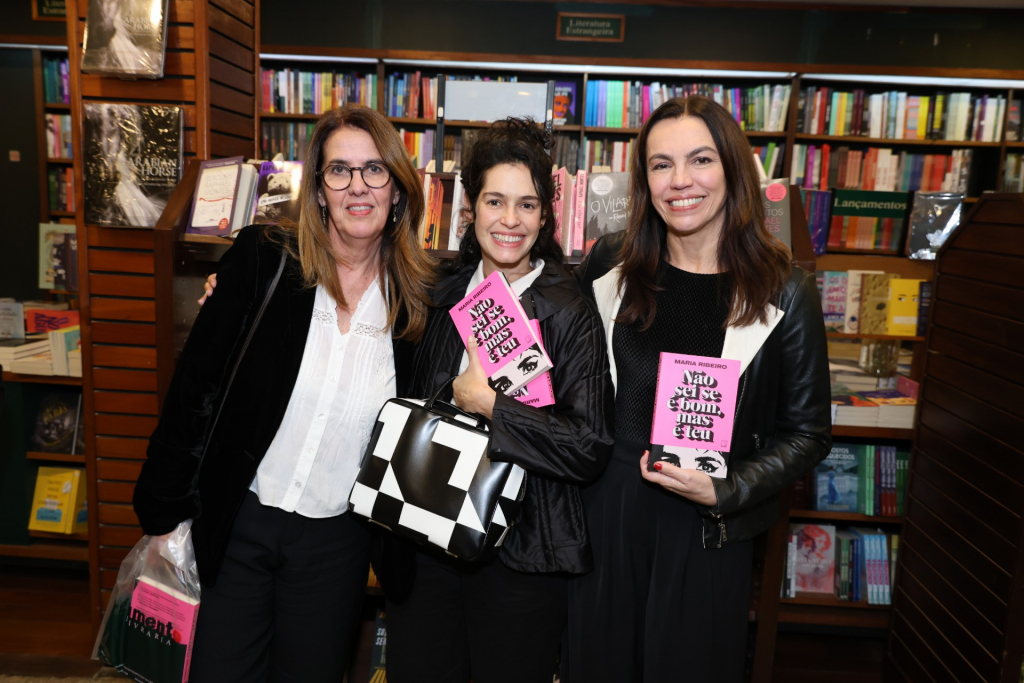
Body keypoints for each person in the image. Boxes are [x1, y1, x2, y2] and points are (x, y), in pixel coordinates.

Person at [132, 104, 435, 682]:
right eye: (338, 171)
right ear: (318, 189)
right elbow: (195, 389)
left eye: (375, 170)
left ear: (397, 188)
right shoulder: (263, 261)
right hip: (240, 521)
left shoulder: (420, 307)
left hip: (337, 543)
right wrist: (164, 515)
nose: (357, 187)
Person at [565, 95, 832, 683]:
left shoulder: (785, 291)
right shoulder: (612, 262)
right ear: (645, 179)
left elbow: (808, 433)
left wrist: (729, 488)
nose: (680, 181)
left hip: (707, 525)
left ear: (732, 170)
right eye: (661, 165)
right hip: (608, 510)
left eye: (700, 160)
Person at [379, 117, 615, 683]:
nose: (510, 221)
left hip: (520, 556)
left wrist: (492, 406)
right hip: (427, 535)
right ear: (470, 207)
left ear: (545, 215)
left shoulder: (567, 309)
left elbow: (589, 447)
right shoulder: (442, 292)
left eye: (527, 205)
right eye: (495, 201)